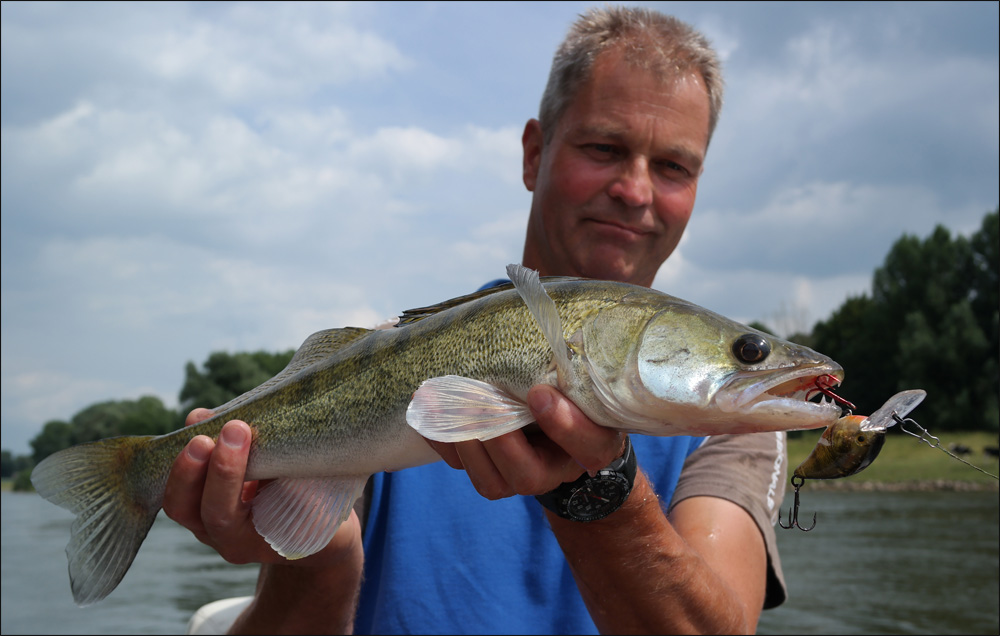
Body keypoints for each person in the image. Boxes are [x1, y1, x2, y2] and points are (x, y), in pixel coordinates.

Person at [166, 6, 788, 634]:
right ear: (533, 154)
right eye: (604, 148)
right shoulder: (392, 358)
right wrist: (316, 559)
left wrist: (599, 494)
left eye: (674, 167)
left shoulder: (736, 423)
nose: (635, 189)